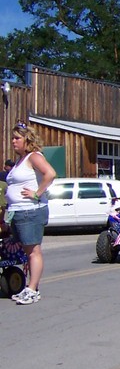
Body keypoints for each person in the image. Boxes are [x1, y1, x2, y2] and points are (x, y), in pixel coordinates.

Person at [6, 122, 56, 305]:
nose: (13, 141)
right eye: (12, 138)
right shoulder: (20, 160)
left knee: (34, 251)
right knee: (27, 251)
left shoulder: (34, 156)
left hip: (30, 211)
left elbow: (50, 174)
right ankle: (29, 287)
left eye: (17, 138)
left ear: (27, 139)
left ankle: (33, 289)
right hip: (18, 212)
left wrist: (37, 193)